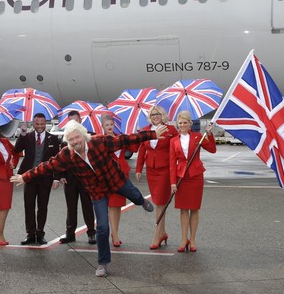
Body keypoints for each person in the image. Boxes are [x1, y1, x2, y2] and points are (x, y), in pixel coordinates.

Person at [11, 120, 167, 278]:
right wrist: (25, 176)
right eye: (70, 140)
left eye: (77, 138)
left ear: (84, 136)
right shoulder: (67, 154)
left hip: (115, 180)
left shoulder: (99, 142)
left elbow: (126, 139)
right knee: (103, 228)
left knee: (135, 195)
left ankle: (142, 201)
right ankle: (103, 263)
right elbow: (47, 166)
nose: (74, 142)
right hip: (97, 191)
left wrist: (153, 134)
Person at [169, 111, 216, 253]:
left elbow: (212, 149)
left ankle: (193, 239)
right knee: (183, 209)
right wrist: (172, 182)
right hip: (180, 176)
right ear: (178, 124)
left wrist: (209, 134)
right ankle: (184, 239)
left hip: (195, 175)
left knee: (194, 209)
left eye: (185, 122)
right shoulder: (173, 141)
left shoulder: (198, 137)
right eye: (180, 123)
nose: (182, 125)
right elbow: (172, 163)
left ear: (190, 124)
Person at [135, 105, 179, 250]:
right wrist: (139, 168)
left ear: (163, 115)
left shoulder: (170, 130)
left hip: (165, 170)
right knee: (159, 202)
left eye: (158, 114)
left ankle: (157, 235)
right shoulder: (145, 130)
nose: (155, 116)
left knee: (160, 202)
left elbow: (178, 148)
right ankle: (163, 232)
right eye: (152, 114)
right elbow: (142, 150)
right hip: (151, 170)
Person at [14, 113, 60, 245]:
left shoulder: (53, 139)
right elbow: (17, 150)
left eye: (42, 124)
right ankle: (30, 234)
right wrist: (22, 134)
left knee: (42, 207)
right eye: (37, 124)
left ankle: (40, 234)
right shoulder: (27, 136)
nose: (39, 126)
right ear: (33, 124)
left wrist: (56, 178)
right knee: (29, 206)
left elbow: (57, 160)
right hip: (29, 177)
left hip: (46, 178)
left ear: (46, 124)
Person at [100, 113, 138, 248]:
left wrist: (134, 135)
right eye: (107, 125)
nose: (109, 127)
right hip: (109, 175)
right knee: (111, 205)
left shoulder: (120, 138)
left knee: (118, 205)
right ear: (102, 127)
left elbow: (134, 148)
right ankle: (114, 234)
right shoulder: (101, 140)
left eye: (111, 124)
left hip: (122, 173)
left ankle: (115, 231)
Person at [58, 110, 96, 245]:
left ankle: (91, 233)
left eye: (75, 120)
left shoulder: (89, 136)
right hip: (70, 179)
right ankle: (70, 234)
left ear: (80, 120)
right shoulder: (66, 138)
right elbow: (59, 160)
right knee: (71, 207)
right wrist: (60, 175)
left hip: (85, 179)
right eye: (70, 121)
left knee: (87, 206)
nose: (73, 123)